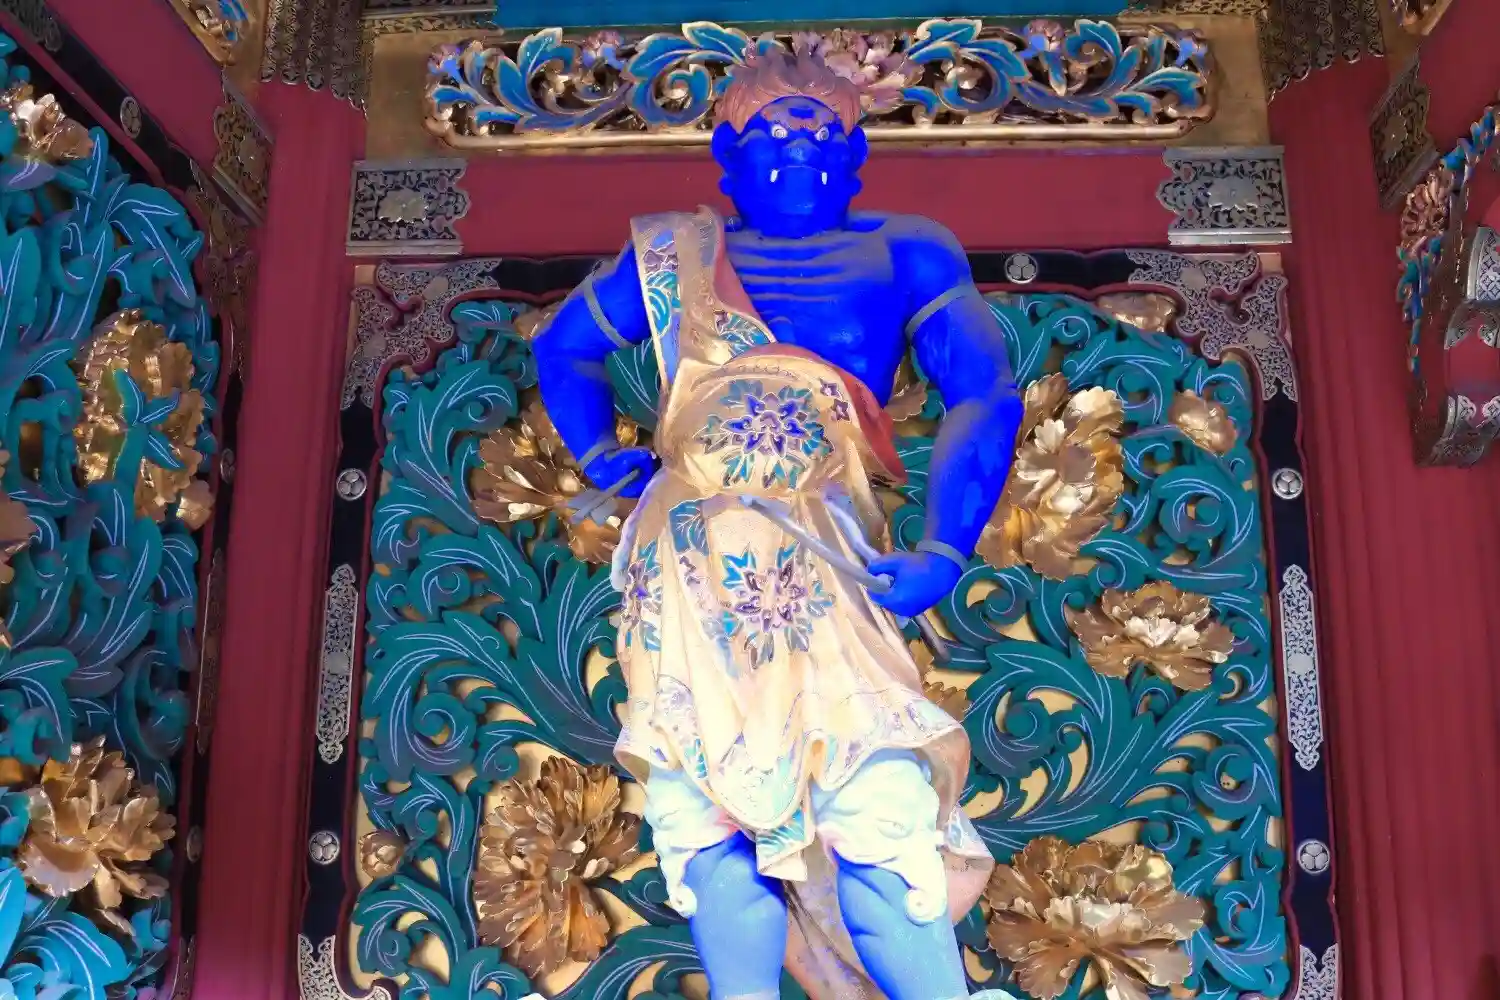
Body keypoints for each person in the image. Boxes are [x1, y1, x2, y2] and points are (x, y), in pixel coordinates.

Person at [532, 46, 1023, 1000]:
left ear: (857, 153)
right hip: (689, 558)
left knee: (876, 797)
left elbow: (984, 391)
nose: (798, 147)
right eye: (771, 131)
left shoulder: (908, 251)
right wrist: (599, 456)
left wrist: (944, 548)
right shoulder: (673, 256)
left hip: (826, 546)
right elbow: (564, 348)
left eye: (821, 131)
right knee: (705, 813)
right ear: (725, 153)